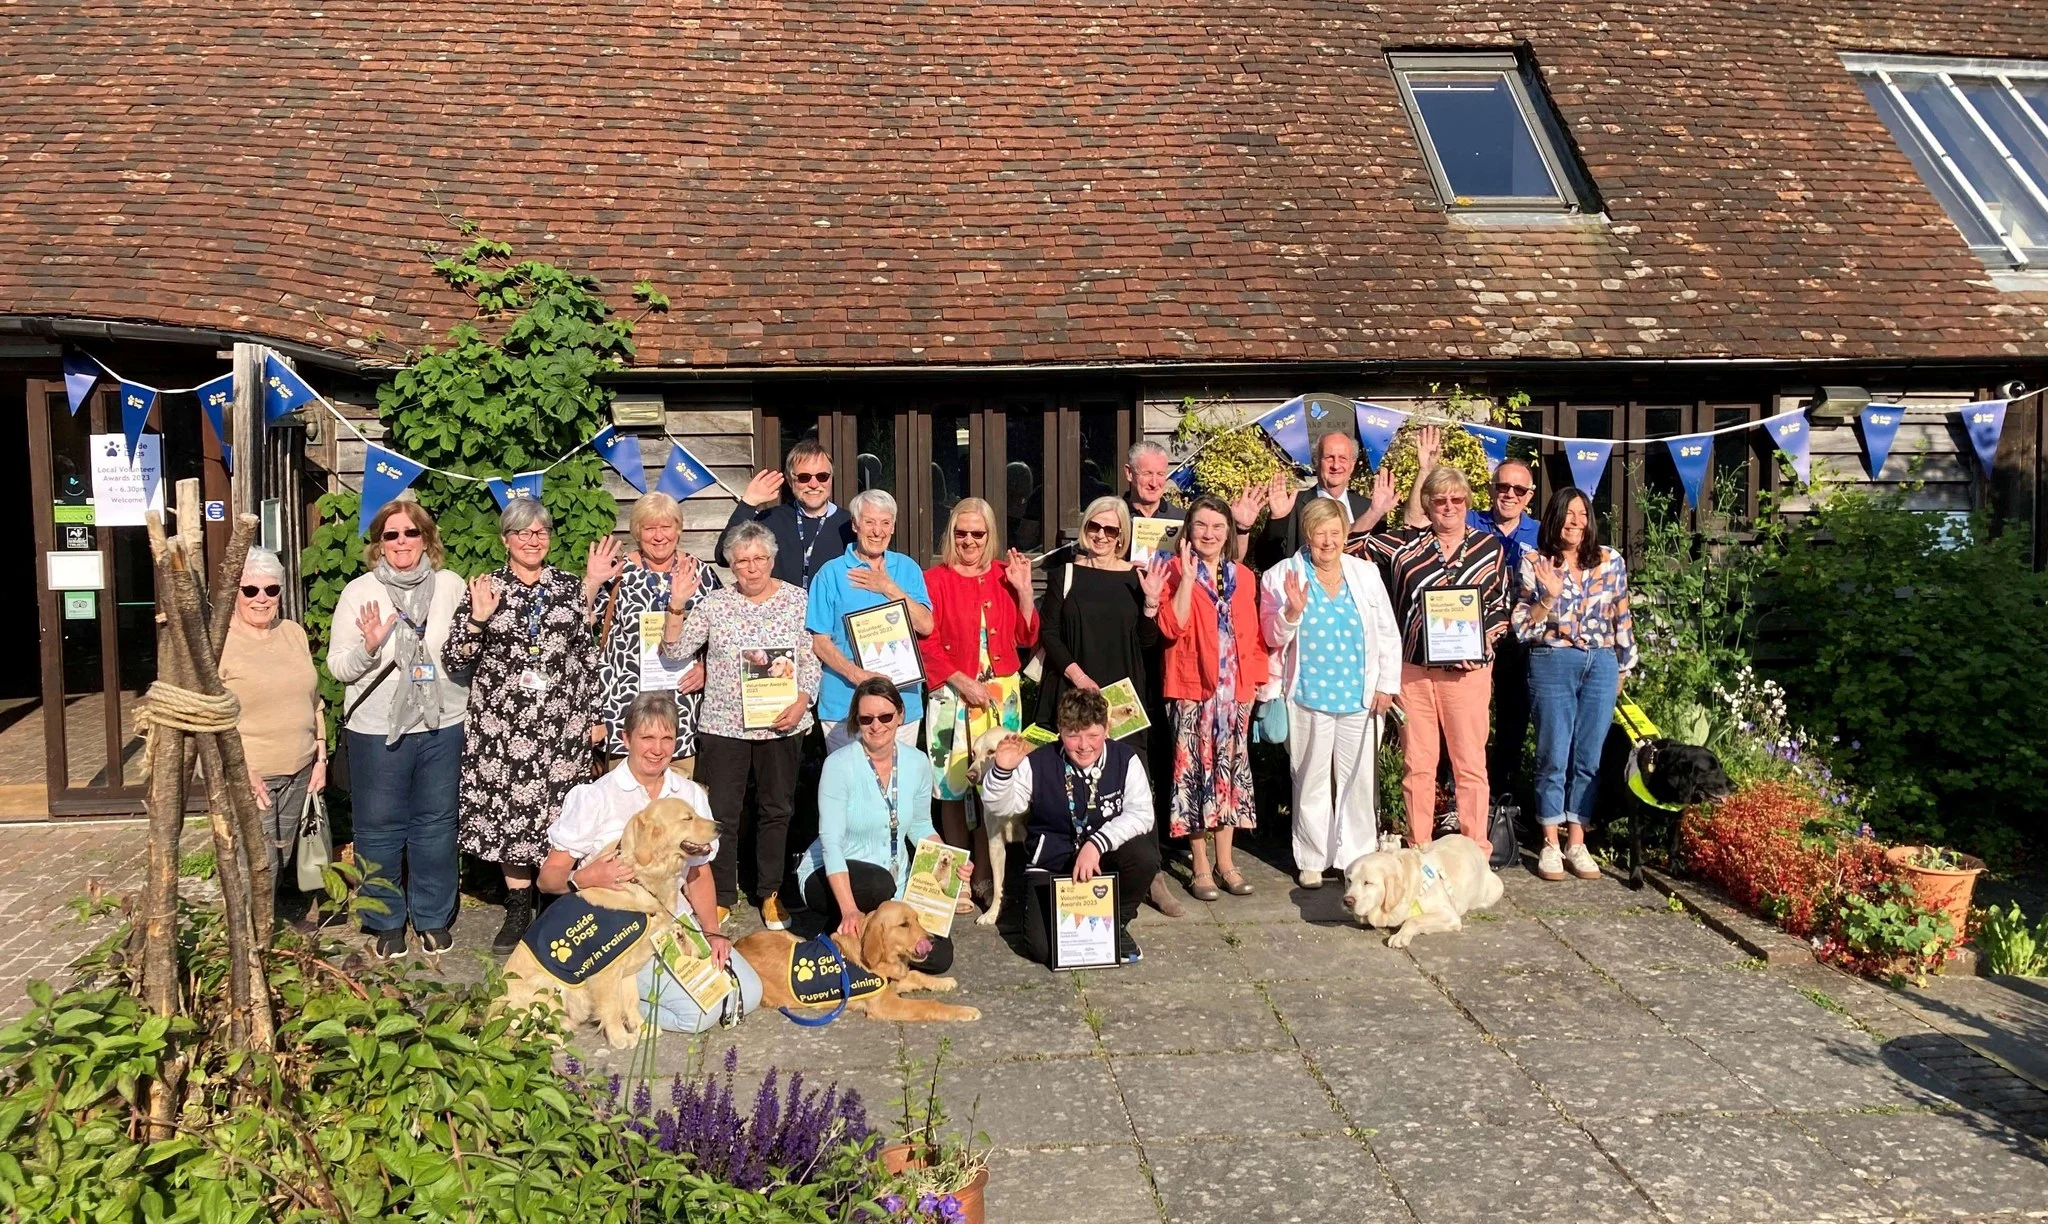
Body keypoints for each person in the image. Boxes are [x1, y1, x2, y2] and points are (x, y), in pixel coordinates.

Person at [538, 692, 764, 1033]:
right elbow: (547, 879)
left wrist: (712, 931)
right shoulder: (596, 797)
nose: (657, 749)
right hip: (618, 935)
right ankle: (608, 999)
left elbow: (698, 874)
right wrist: (583, 877)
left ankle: (616, 996)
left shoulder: (688, 796)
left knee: (747, 993)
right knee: (698, 1016)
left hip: (674, 925)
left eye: (666, 738)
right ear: (626, 739)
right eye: (646, 738)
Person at [446, 498, 608, 954]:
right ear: (506, 540)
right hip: (503, 728)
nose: (532, 540)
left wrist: (595, 716)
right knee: (513, 819)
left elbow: (586, 656)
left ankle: (553, 898)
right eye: (522, 533)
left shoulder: (569, 588)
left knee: (558, 812)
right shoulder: (485, 587)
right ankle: (518, 906)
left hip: (561, 725)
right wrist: (478, 618)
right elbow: (455, 658)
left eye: (540, 532)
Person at [326, 499, 469, 958]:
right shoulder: (359, 592)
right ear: (378, 545)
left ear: (427, 539)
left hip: (442, 722)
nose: (402, 542)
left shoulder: (451, 587)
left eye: (411, 533)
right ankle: (384, 918)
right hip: (375, 728)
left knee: (436, 824)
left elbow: (469, 650)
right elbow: (338, 668)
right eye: (392, 535)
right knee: (378, 827)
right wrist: (369, 648)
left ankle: (431, 915)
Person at [661, 520, 821, 929]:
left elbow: (811, 657)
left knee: (777, 809)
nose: (751, 568)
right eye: (742, 561)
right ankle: (722, 894)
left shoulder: (798, 600)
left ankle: (770, 892)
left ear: (772, 559)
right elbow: (675, 648)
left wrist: (804, 698)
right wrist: (677, 604)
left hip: (782, 722)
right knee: (722, 813)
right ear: (731, 564)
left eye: (759, 559)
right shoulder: (715, 603)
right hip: (724, 724)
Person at [1035, 494, 1181, 917]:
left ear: (1122, 535)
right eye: (1094, 528)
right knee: (1070, 778)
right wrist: (1078, 676)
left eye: (1111, 529)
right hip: (1077, 693)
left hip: (1124, 699)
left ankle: (1148, 873)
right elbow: (1050, 634)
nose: (1101, 535)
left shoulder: (1136, 579)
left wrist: (1151, 603)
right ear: (1085, 530)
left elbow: (1147, 644)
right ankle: (1069, 865)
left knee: (1135, 781)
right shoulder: (1065, 574)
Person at [1358, 463, 1513, 852]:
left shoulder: (1488, 547)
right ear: (1426, 504)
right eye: (1440, 499)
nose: (1449, 506)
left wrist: (1484, 643)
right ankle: (1420, 846)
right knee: (1419, 764)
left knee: (1470, 764)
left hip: (1469, 673)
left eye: (1457, 499)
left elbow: (1501, 606)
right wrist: (1376, 511)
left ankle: (1475, 847)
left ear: (1468, 503)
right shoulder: (1403, 547)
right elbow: (1346, 546)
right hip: (1414, 672)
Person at [1258, 499, 1402, 888]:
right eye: (1320, 532)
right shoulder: (1280, 575)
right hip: (1307, 695)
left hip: (1360, 697)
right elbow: (1271, 638)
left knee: (1358, 782)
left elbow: (1387, 632)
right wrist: (1291, 612)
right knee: (1310, 779)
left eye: (1335, 533)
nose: (1328, 541)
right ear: (1307, 534)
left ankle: (1356, 859)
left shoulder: (1365, 573)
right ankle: (1312, 859)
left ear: (1345, 534)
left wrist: (1388, 684)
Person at [1410, 426, 1543, 800]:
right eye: (1503, 487)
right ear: (1491, 490)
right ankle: (1448, 794)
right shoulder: (1469, 521)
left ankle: (1501, 795)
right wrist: (1425, 469)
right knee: (1459, 725)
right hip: (1462, 640)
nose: (1510, 495)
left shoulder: (1541, 531)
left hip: (1517, 640)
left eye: (1519, 490)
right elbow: (1420, 525)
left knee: (1512, 719)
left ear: (1529, 496)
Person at [981, 688, 1160, 964]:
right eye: (1073, 735)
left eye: (1093, 735)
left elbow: (1142, 814)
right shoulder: (1038, 761)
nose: (1084, 745)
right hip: (1051, 861)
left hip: (1103, 858)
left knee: (1145, 856)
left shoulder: (1126, 759)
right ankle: (1071, 923)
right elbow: (1002, 808)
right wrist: (1002, 772)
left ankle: (1117, 924)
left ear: (1106, 729)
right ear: (1059, 731)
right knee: (1043, 951)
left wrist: (1097, 843)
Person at [919, 497, 1037, 913]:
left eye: (978, 533)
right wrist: (958, 679)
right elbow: (925, 642)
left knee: (996, 784)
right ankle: (959, 878)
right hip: (952, 689)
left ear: (990, 536)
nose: (969, 541)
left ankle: (988, 873)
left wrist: (1024, 591)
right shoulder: (933, 579)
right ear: (951, 534)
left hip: (1001, 695)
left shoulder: (1008, 575)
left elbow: (1026, 637)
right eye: (961, 533)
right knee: (951, 787)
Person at [798, 678, 962, 974]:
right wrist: (849, 908)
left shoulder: (917, 762)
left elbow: (922, 825)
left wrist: (952, 864)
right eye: (866, 718)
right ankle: (841, 928)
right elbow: (831, 842)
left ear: (900, 715)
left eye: (885, 716)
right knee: (877, 883)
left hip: (893, 881)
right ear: (856, 722)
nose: (877, 725)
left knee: (939, 957)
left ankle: (868, 943)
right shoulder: (838, 765)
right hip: (834, 872)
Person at [1515, 488, 1637, 882]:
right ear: (1554, 518)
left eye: (1581, 514)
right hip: (1553, 660)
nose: (1575, 521)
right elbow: (1520, 627)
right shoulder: (1534, 561)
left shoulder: (1610, 560)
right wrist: (1548, 597)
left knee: (1589, 757)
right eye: (1567, 514)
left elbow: (1622, 615)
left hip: (1601, 662)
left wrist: (1622, 667)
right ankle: (1550, 840)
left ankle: (1578, 840)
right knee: (1553, 753)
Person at [1155, 495, 1271, 901]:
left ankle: (1227, 861)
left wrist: (1254, 686)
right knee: (1195, 777)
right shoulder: (1170, 570)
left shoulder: (1244, 577)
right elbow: (1171, 627)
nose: (1209, 534)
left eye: (1217, 527)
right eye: (1201, 525)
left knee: (1231, 776)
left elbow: (1254, 637)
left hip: (1234, 693)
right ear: (1189, 530)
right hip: (1192, 690)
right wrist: (1186, 579)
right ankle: (1200, 864)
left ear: (1228, 533)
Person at [218, 546, 325, 900]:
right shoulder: (220, 644)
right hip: (252, 774)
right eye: (250, 590)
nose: (261, 599)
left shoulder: (292, 632)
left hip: (300, 769)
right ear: (234, 592)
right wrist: (238, 769)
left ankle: (266, 936)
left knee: (283, 854)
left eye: (271, 589)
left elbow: (315, 702)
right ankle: (249, 945)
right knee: (256, 864)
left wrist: (320, 757)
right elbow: (210, 718)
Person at [590, 493, 720, 774]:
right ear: (637, 532)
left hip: (684, 711)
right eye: (650, 528)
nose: (659, 536)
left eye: (666, 527)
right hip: (627, 708)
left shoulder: (701, 574)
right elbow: (582, 624)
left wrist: (707, 667)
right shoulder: (617, 575)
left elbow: (724, 634)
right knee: (627, 803)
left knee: (681, 803)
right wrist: (590, 581)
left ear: (678, 529)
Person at [806, 489, 935, 753]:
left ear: (893, 526)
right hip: (844, 704)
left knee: (898, 785)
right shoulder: (830, 573)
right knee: (849, 787)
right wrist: (857, 675)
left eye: (885, 523)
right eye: (869, 522)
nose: (878, 531)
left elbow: (926, 625)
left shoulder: (907, 568)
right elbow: (819, 642)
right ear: (855, 525)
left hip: (901, 703)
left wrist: (889, 588)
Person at [721, 438, 855, 589]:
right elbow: (722, 556)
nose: (814, 484)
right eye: (804, 477)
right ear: (791, 481)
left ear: (831, 478)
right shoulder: (770, 520)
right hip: (782, 610)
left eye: (822, 476)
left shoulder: (850, 524)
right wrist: (748, 504)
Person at [1256, 430, 1390, 569]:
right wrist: (1278, 520)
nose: (1336, 465)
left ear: (1352, 465)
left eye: (1343, 458)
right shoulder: (1292, 505)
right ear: (1315, 462)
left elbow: (1381, 565)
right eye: (1329, 458)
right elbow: (1266, 563)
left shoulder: (1370, 509)